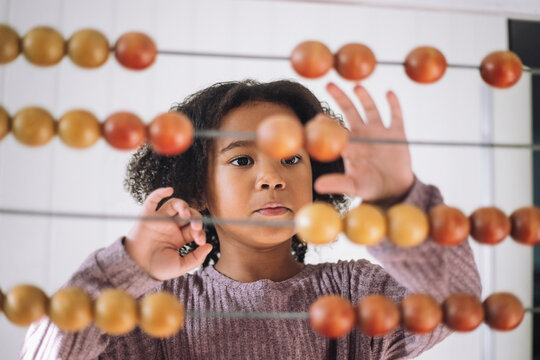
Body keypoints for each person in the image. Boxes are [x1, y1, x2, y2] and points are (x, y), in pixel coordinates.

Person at [19, 79, 481, 359]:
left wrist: (400, 201)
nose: (271, 178)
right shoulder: (152, 308)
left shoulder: (357, 295)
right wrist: (129, 269)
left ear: (318, 175)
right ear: (198, 191)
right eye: (242, 161)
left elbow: (454, 304)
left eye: (292, 160)